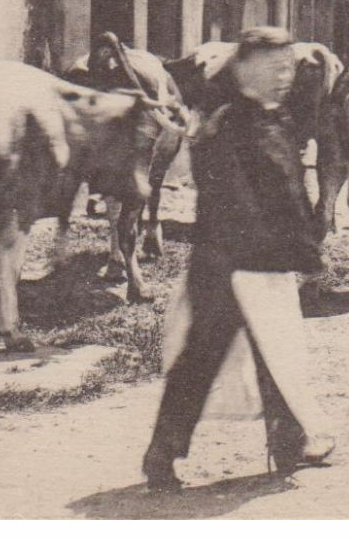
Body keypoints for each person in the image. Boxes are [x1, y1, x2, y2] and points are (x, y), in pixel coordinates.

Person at [142, 27, 336, 491]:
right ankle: (161, 455)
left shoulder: (274, 117)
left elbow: (289, 189)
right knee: (203, 359)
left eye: (288, 67)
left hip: (261, 261)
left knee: (277, 352)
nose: (284, 77)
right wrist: (278, 251)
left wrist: (304, 244)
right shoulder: (227, 124)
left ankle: (289, 443)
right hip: (230, 263)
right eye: (274, 67)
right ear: (245, 68)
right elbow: (232, 200)